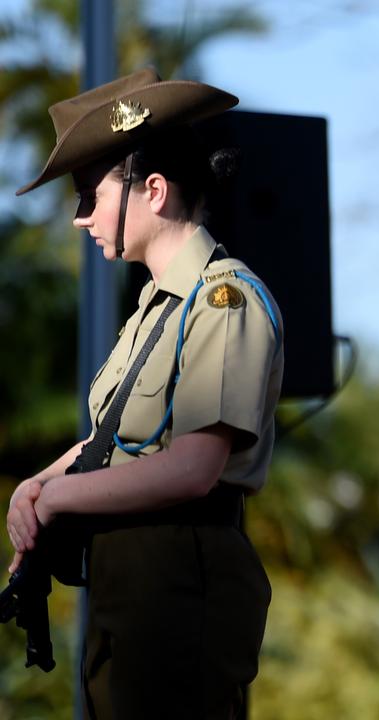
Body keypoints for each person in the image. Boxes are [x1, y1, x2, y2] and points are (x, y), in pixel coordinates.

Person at [5, 68, 283, 719]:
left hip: (182, 589)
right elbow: (115, 445)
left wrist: (57, 498)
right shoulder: (153, 313)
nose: (79, 219)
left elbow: (193, 467)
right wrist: (36, 485)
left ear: (152, 191)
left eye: (88, 196)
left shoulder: (222, 299)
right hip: (132, 590)